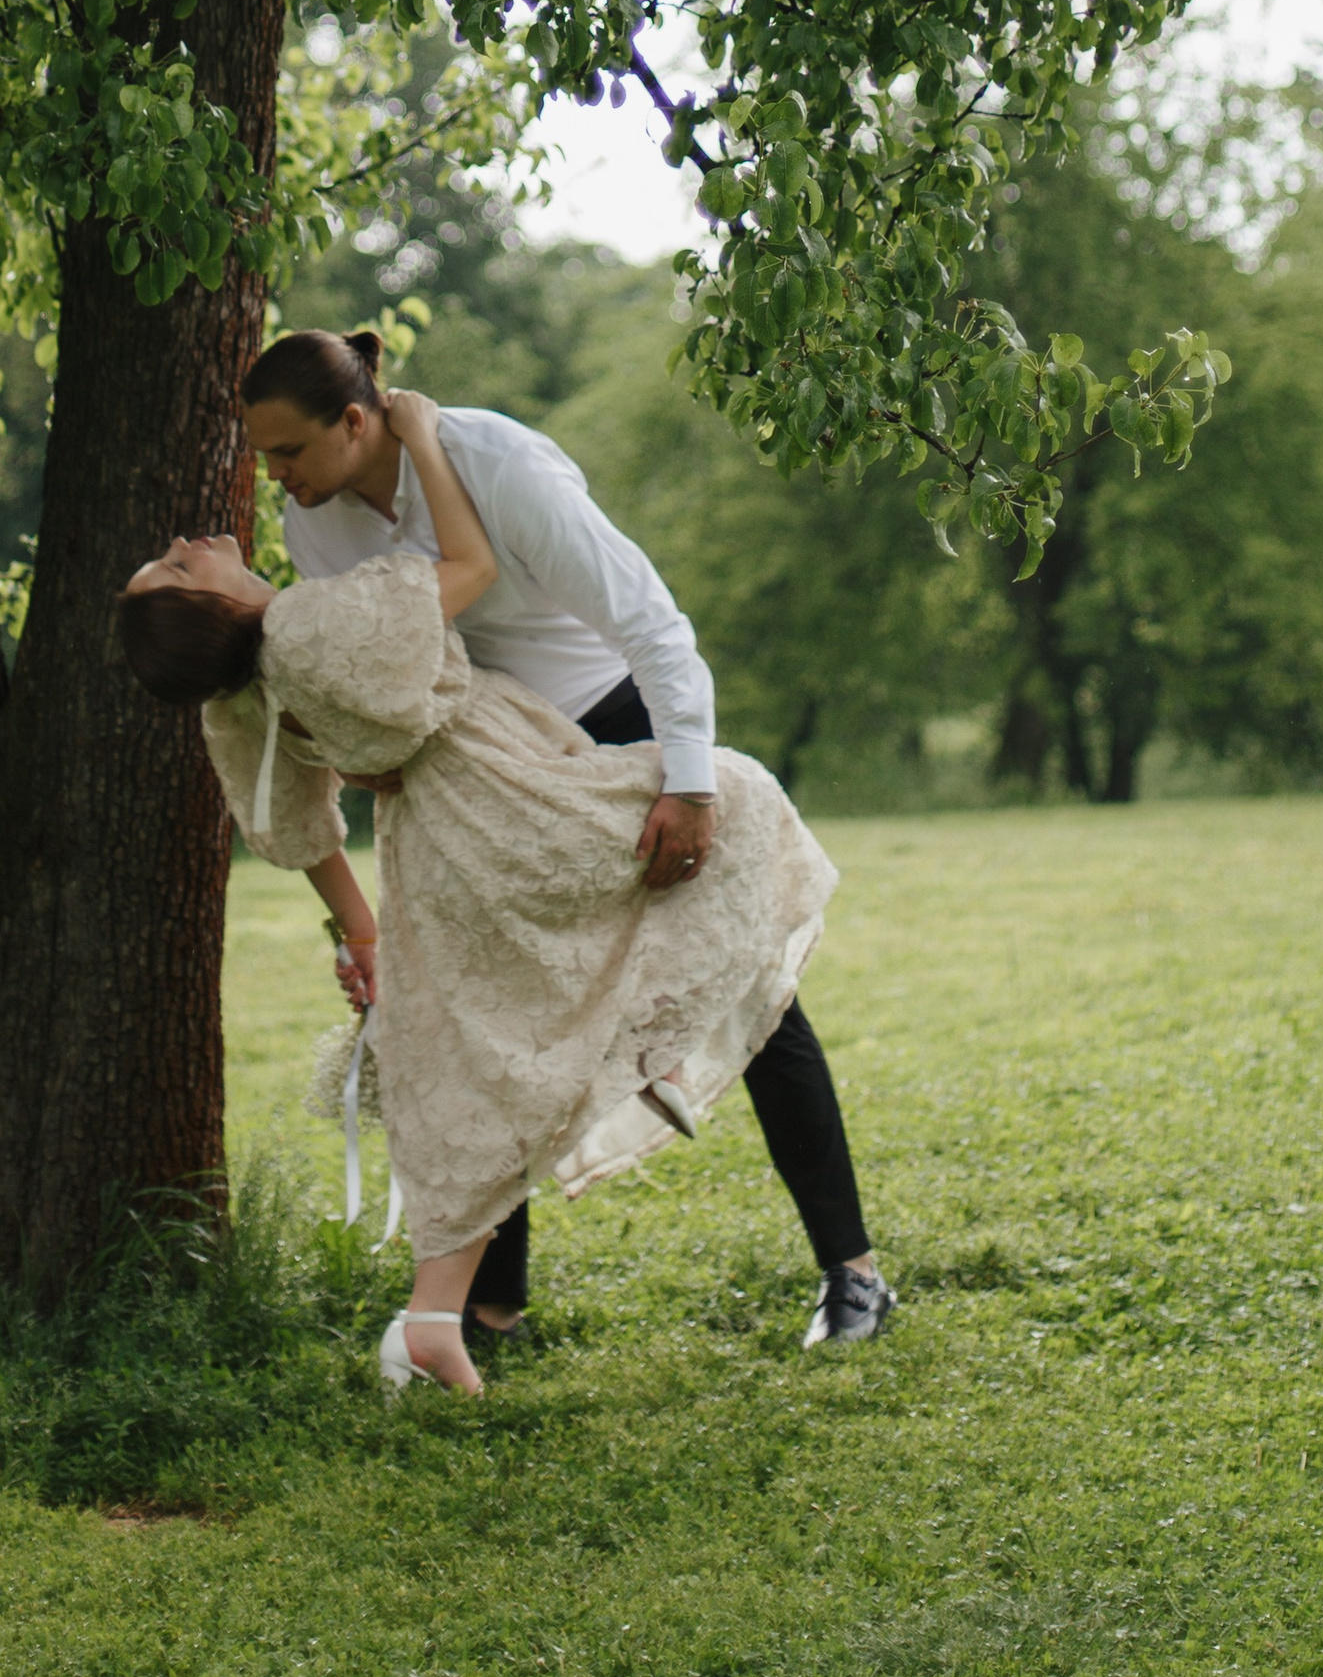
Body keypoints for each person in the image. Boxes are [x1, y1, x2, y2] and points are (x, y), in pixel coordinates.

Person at [121, 392, 838, 1394]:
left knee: (476, 1052)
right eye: (183, 561)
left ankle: (443, 1311)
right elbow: (469, 573)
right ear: (213, 603)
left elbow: (296, 825)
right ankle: (636, 1096)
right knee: (741, 827)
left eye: (285, 450)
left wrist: (362, 931)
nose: (196, 534)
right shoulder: (311, 614)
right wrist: (418, 432)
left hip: (442, 834)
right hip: (510, 787)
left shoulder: (237, 704)